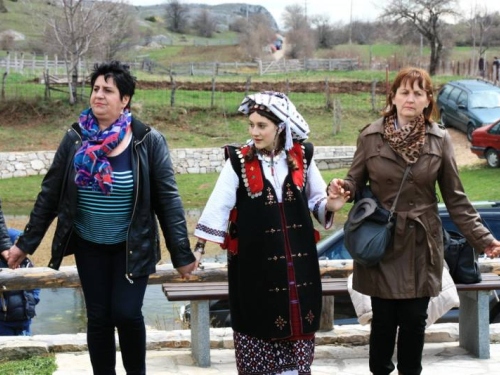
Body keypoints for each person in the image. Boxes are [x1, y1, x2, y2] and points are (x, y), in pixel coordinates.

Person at [4, 61, 197, 374]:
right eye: (96, 89)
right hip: (89, 244)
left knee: (126, 312)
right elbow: (50, 194)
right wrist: (24, 245)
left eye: (108, 90)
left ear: (125, 100)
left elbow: (169, 201)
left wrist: (182, 255)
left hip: (131, 246)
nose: (99, 95)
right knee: (99, 317)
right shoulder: (75, 138)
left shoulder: (147, 140)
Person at [329, 67, 500, 375]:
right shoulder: (370, 136)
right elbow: (354, 182)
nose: (410, 98)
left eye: (418, 93)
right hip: (382, 242)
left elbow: (456, 198)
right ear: (392, 97)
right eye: (404, 92)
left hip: (421, 244)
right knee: (382, 320)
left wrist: (484, 239)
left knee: (413, 321)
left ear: (427, 100)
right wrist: (343, 188)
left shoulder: (439, 140)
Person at [193, 91, 349, 375]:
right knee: (258, 332)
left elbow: (317, 203)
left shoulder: (302, 156)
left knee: (297, 340)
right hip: (255, 269)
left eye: (261, 126)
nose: (254, 132)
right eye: (251, 124)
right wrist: (198, 249)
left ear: (280, 127)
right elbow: (218, 206)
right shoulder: (238, 161)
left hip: (298, 271)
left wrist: (331, 204)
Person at [0, 228, 40, 336]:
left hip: (25, 319)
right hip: (4, 321)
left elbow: (36, 286)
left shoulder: (27, 264)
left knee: (27, 346)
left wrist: (33, 300)